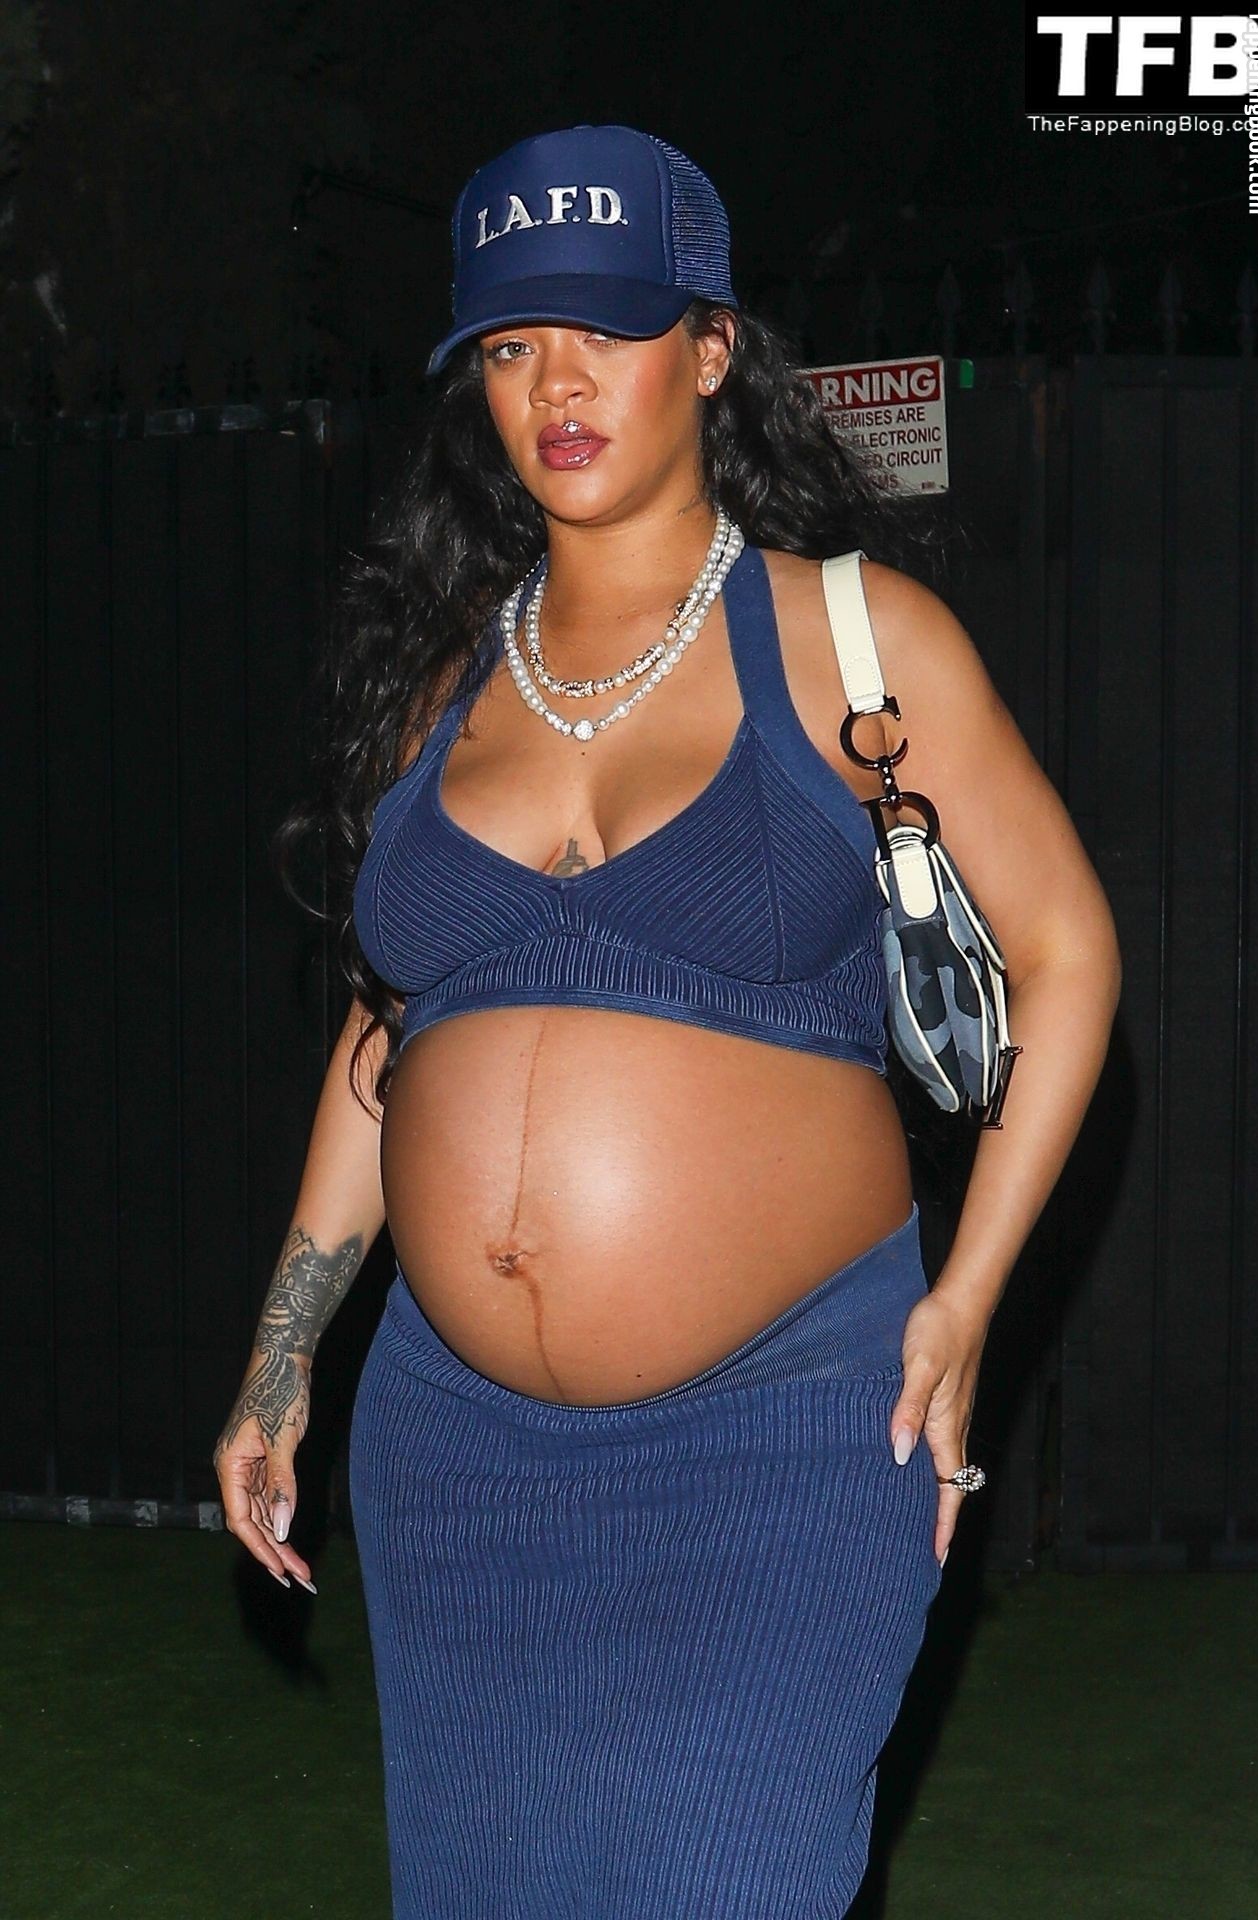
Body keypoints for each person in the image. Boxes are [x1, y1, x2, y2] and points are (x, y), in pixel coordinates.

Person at [214, 124, 1121, 1919]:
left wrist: (967, 1302)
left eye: (604, 332)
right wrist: (281, 1350)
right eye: (509, 345)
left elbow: (1069, 953)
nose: (553, 385)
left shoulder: (856, 642)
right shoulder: (443, 681)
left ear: (710, 350)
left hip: (781, 1438)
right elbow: (385, 1044)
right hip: (458, 1459)